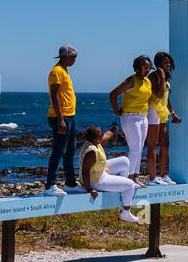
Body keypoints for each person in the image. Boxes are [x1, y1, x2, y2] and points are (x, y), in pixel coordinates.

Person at [80, 126, 143, 224]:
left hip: (100, 171)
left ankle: (123, 188)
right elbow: (85, 171)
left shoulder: (94, 142)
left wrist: (113, 129)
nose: (102, 136)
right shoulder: (91, 152)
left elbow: (107, 136)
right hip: (96, 180)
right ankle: (125, 213)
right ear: (97, 139)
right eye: (100, 135)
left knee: (124, 161)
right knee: (130, 185)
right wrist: (90, 189)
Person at [108, 55, 153, 185]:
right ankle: (129, 177)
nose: (148, 69)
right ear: (138, 68)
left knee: (139, 148)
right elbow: (113, 94)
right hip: (130, 117)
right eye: (145, 66)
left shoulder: (147, 81)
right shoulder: (131, 81)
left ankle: (135, 175)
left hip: (143, 117)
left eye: (149, 66)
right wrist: (117, 111)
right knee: (135, 148)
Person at [44, 45, 78, 198]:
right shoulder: (56, 72)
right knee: (58, 150)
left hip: (70, 115)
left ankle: (70, 183)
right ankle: (50, 185)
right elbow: (54, 96)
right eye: (73, 57)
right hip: (61, 116)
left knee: (70, 150)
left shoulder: (64, 71)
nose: (75, 59)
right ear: (65, 56)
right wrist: (60, 119)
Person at [145, 51, 181, 185]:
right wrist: (161, 76)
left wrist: (172, 113)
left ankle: (162, 175)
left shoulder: (166, 77)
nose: (169, 64)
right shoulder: (154, 76)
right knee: (152, 145)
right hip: (153, 111)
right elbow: (159, 95)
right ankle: (153, 178)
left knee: (165, 145)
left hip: (163, 112)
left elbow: (166, 97)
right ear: (159, 64)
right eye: (165, 62)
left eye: (169, 62)